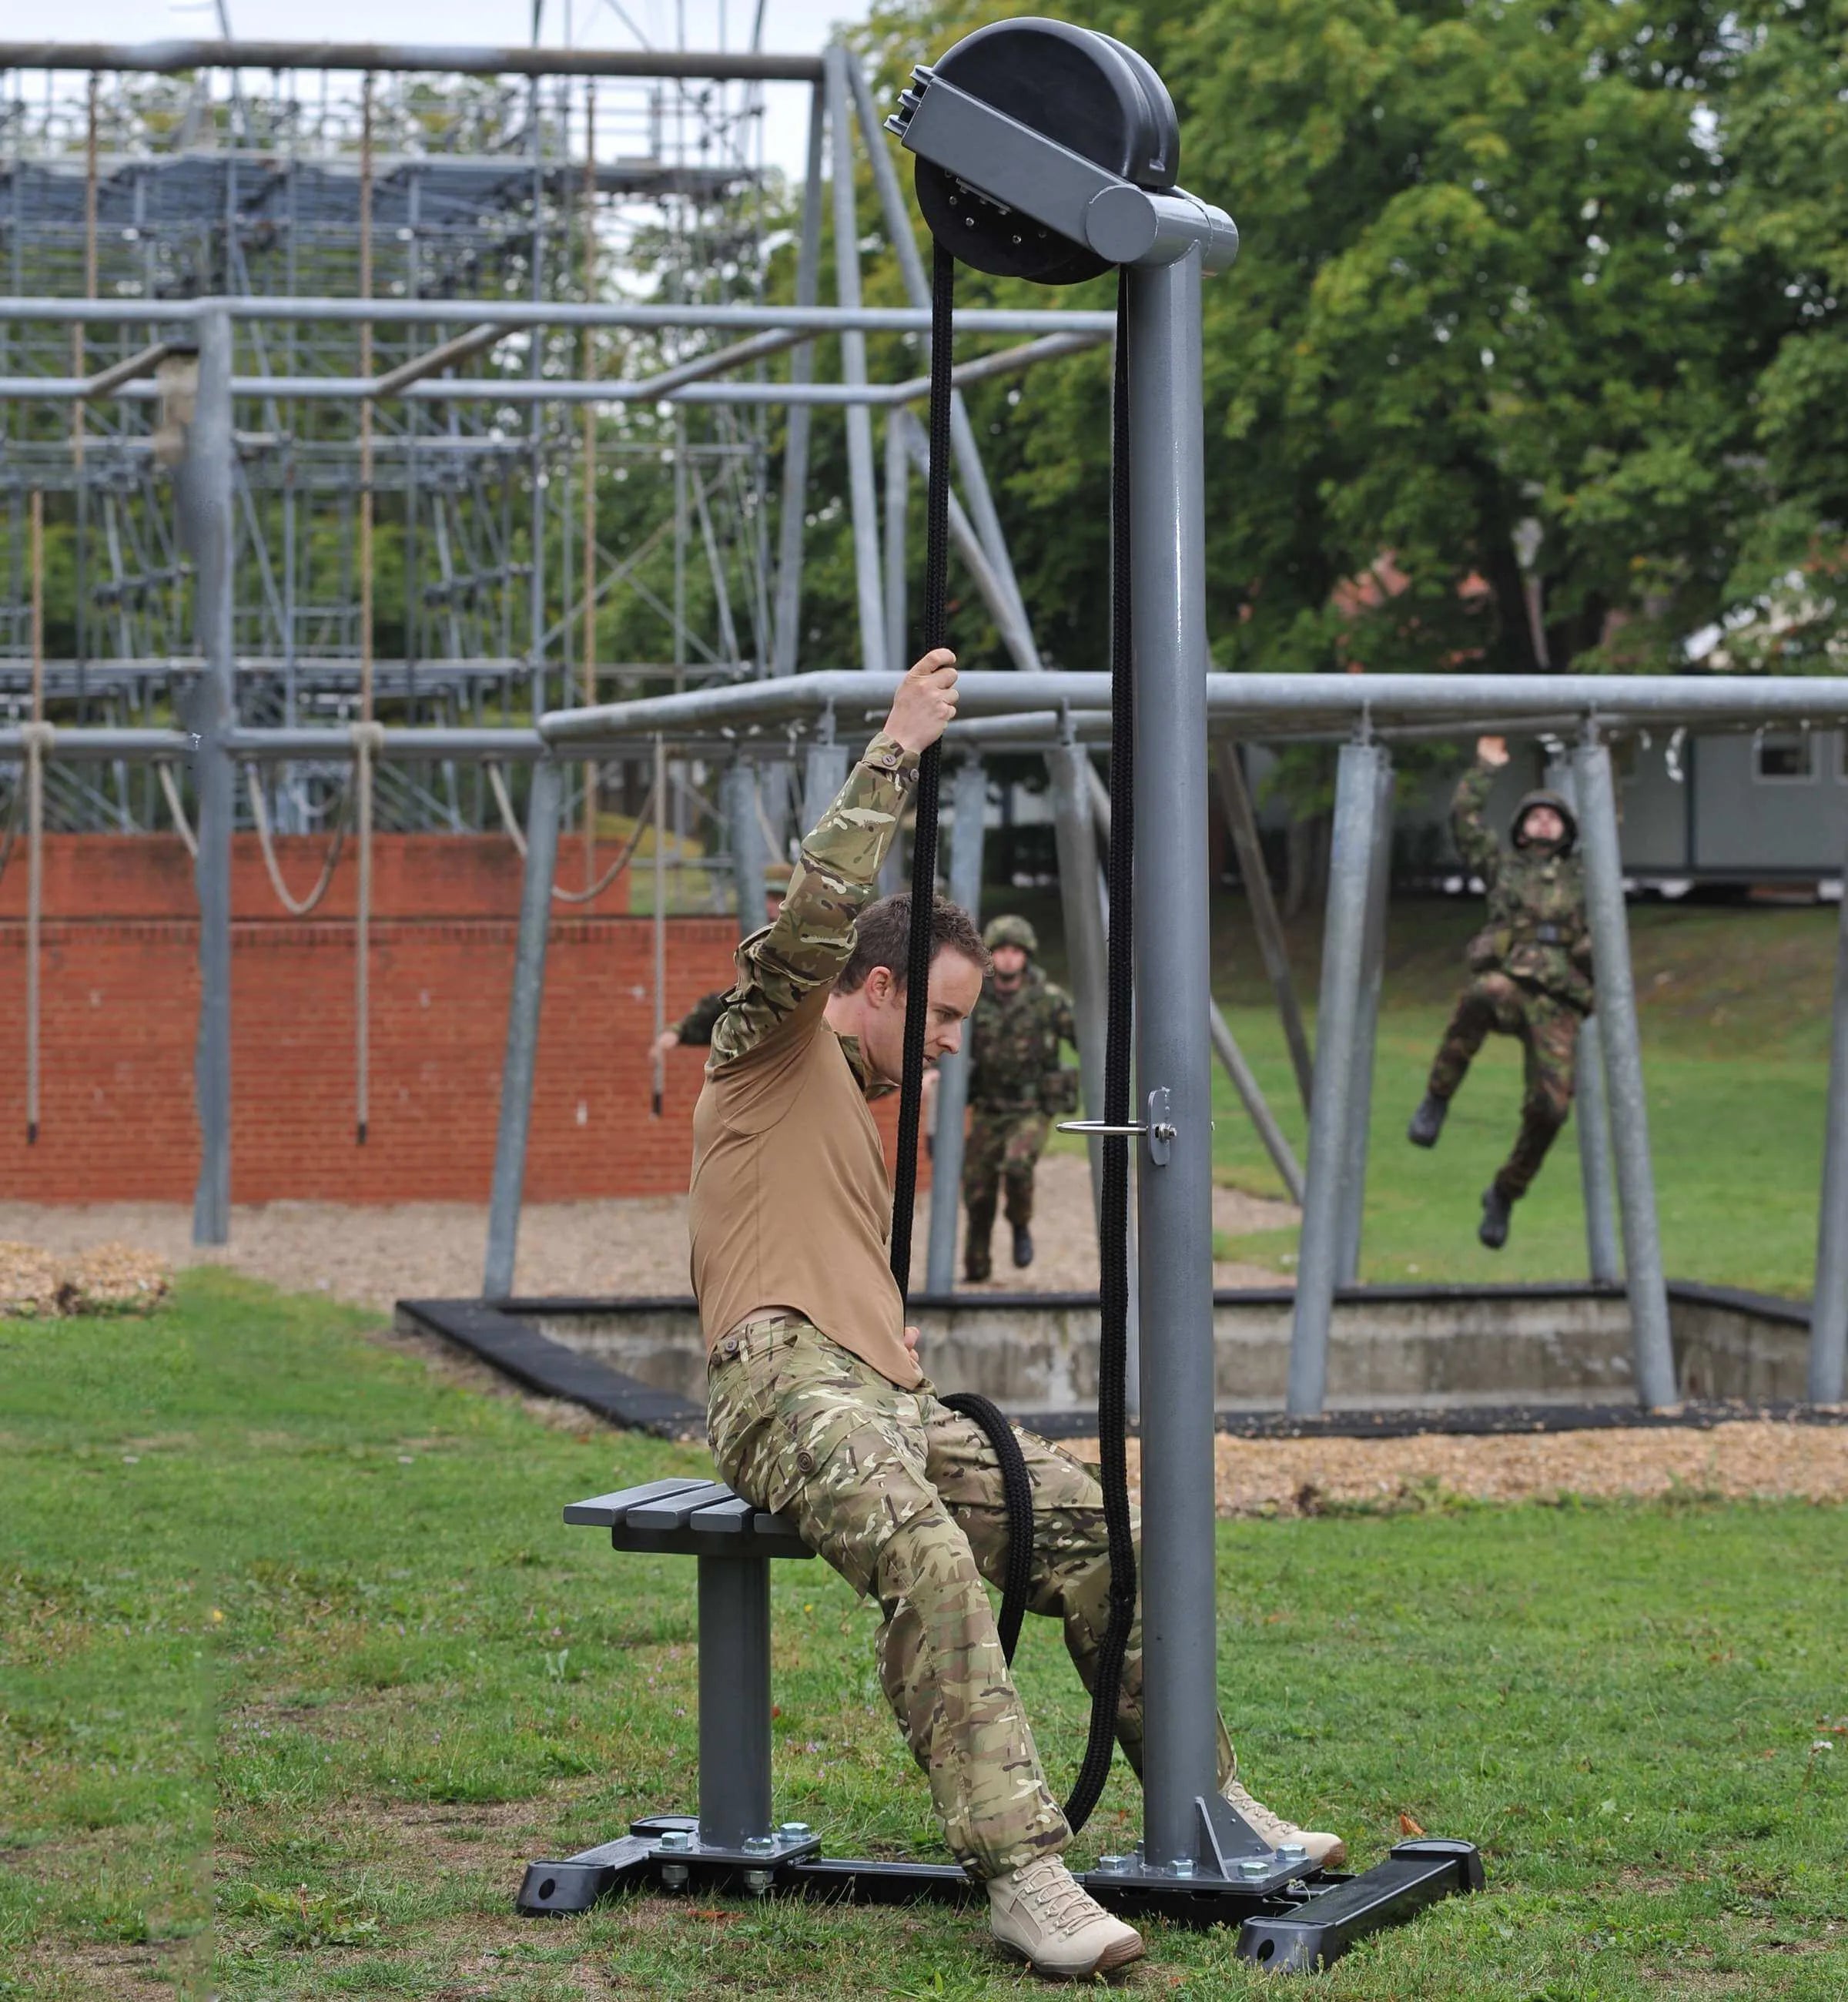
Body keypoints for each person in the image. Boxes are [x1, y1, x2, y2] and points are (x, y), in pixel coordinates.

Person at [692, 649, 1344, 1982]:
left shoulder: (849, 1102)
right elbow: (817, 911)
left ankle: (1199, 1799)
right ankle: (1022, 1873)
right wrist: (897, 749)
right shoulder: (769, 1038)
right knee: (931, 1561)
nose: (949, 1042)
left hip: (878, 1395)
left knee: (1108, 1530)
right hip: (775, 1386)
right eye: (936, 1013)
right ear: (869, 987)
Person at [1408, 735, 1595, 1249]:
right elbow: (1465, 824)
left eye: (1552, 817)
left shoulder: (1585, 877)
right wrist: (1485, 769)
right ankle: (1437, 1097)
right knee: (1483, 993)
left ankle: (1506, 1192)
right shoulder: (1505, 869)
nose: (1542, 823)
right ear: (1520, 828)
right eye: (1533, 816)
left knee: (1551, 1110)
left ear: (1567, 829)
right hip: (1513, 981)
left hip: (1559, 999)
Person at [961, 916, 1077, 1281]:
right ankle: (977, 1271)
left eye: (1015, 952)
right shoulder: (974, 996)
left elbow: (1089, 1039)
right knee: (978, 1192)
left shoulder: (1049, 1000)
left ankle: (1020, 1225)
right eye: (1000, 951)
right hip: (988, 1107)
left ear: (1027, 955)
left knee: (1017, 1165)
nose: (1009, 959)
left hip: (1030, 1108)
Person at [651, 875, 790, 1063]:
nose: (770, 908)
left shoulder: (810, 945)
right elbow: (741, 1001)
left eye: (777, 899)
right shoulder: (759, 950)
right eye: (766, 899)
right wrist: (680, 1031)